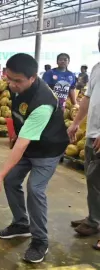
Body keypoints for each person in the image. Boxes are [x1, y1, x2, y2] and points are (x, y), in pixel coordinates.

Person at [0, 53, 69, 263]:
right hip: (30, 142)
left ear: (32, 78)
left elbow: (22, 145)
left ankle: (40, 240)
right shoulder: (15, 87)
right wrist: (14, 132)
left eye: (18, 81)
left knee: (35, 188)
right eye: (9, 78)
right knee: (12, 179)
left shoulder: (43, 103)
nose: (12, 84)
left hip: (48, 149)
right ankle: (21, 224)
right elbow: (18, 117)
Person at [67, 33, 100, 250]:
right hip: (92, 133)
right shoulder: (97, 67)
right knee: (93, 181)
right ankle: (94, 219)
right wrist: (76, 121)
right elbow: (88, 98)